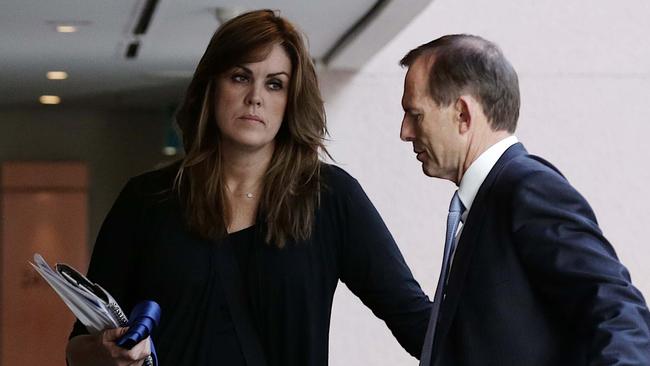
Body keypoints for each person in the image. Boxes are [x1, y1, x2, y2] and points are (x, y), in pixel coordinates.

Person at [65, 9, 431, 366]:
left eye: (275, 84)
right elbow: (77, 347)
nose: (255, 96)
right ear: (211, 86)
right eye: (240, 77)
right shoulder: (146, 199)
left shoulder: (329, 197)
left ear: (290, 102)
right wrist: (105, 352)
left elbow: (414, 320)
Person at [399, 33, 650, 366]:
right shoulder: (490, 199)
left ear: (462, 114)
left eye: (415, 115)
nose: (405, 131)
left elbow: (619, 311)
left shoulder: (528, 187)